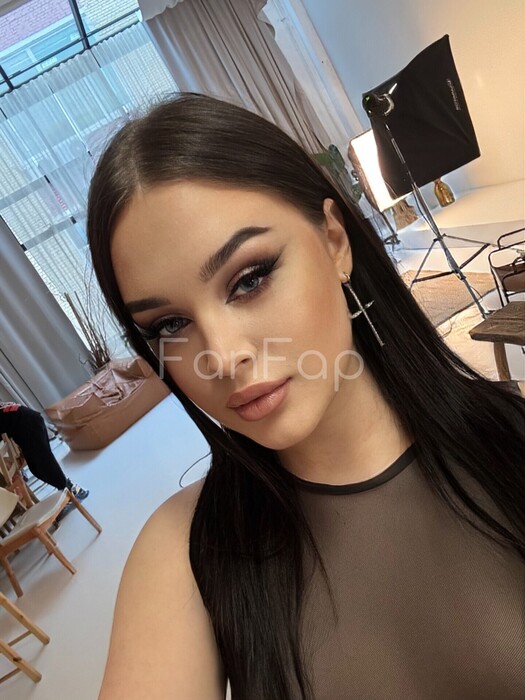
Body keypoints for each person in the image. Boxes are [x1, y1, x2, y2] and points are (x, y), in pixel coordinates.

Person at [87, 94, 524, 700]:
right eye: (170, 325)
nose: (222, 356)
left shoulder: (509, 440)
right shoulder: (186, 552)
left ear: (335, 241)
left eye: (249, 279)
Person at [0, 402, 89, 499]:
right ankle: (67, 487)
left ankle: (69, 489)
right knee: (42, 462)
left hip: (27, 424)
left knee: (42, 465)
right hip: (32, 418)